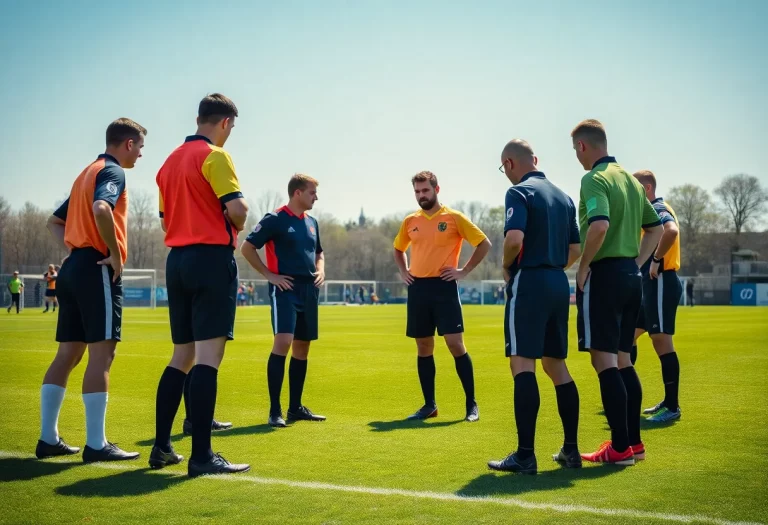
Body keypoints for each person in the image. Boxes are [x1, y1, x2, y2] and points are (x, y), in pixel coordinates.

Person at [36, 118, 146, 462]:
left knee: (68, 353)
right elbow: (102, 208)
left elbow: (55, 222)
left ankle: (48, 438)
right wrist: (112, 252)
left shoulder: (86, 172)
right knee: (103, 354)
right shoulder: (112, 172)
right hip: (97, 268)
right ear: (127, 144)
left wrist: (74, 250)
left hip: (73, 270)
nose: (141, 154)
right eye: (140, 147)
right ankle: (97, 445)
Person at [151, 93, 248, 477]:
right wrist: (237, 223)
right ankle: (202, 455)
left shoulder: (168, 161)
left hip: (177, 261)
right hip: (210, 259)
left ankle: (161, 447)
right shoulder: (215, 156)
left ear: (198, 118)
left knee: (182, 356)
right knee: (209, 358)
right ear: (225, 123)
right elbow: (237, 210)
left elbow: (163, 221)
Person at [487, 140, 583, 474]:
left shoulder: (519, 193)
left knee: (522, 364)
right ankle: (571, 450)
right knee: (557, 366)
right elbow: (576, 248)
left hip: (529, 282)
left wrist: (506, 266)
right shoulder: (564, 197)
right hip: (559, 282)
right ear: (536, 160)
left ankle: (525, 454)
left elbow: (514, 240)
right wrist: (554, 265)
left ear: (510, 164)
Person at [571, 119, 662, 466]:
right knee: (624, 358)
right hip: (629, 276)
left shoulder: (593, 179)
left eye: (575, 151)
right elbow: (654, 229)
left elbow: (599, 225)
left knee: (603, 360)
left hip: (605, 276)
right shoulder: (630, 180)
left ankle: (620, 448)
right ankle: (634, 444)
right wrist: (637, 263)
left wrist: (583, 267)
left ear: (582, 146)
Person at [393, 171, 491, 422]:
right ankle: (429, 405)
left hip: (444, 287)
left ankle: (471, 405)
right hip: (418, 289)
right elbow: (398, 248)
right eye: (417, 191)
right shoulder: (409, 221)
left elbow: (484, 243)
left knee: (455, 345)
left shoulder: (453, 217)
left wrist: (463, 271)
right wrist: (404, 271)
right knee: (424, 347)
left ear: (437, 189)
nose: (421, 196)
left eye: (425, 190)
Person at [241, 174, 326, 427]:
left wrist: (321, 269)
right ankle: (274, 410)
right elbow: (247, 247)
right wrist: (270, 275)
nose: (316, 197)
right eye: (312, 193)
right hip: (285, 289)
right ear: (297, 193)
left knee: (302, 347)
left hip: (309, 290)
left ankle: (295, 408)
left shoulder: (312, 222)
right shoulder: (274, 219)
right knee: (284, 342)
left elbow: (319, 252)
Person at [631, 170, 683, 423]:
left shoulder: (658, 207)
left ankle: (672, 406)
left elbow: (670, 231)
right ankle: (626, 399)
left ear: (648, 188)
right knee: (627, 335)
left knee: (661, 340)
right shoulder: (647, 212)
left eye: (636, 188)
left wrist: (655, 259)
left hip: (661, 280)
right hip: (650, 285)